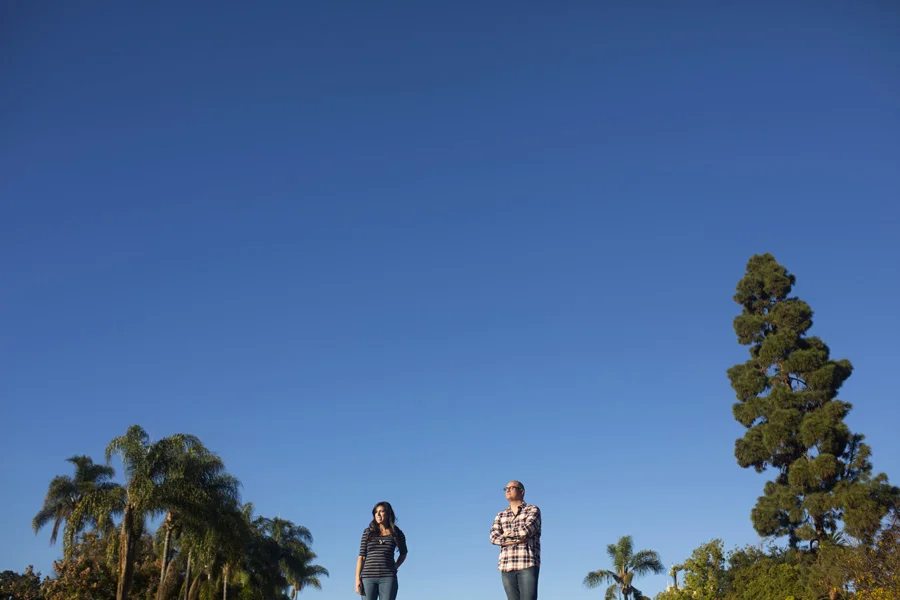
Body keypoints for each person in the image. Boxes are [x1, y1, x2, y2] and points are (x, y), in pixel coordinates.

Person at [490, 480, 541, 600]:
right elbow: (493, 537)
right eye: (506, 488)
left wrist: (504, 536)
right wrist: (516, 538)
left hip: (526, 563)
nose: (507, 490)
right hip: (506, 565)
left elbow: (526, 531)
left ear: (521, 491)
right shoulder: (500, 515)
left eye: (511, 488)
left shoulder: (532, 510)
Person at [355, 501, 407, 599]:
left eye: (381, 511)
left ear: (388, 514)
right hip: (368, 577)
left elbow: (403, 553)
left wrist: (395, 566)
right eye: (376, 512)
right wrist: (357, 579)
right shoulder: (368, 532)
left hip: (388, 577)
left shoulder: (397, 533)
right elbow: (361, 557)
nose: (378, 514)